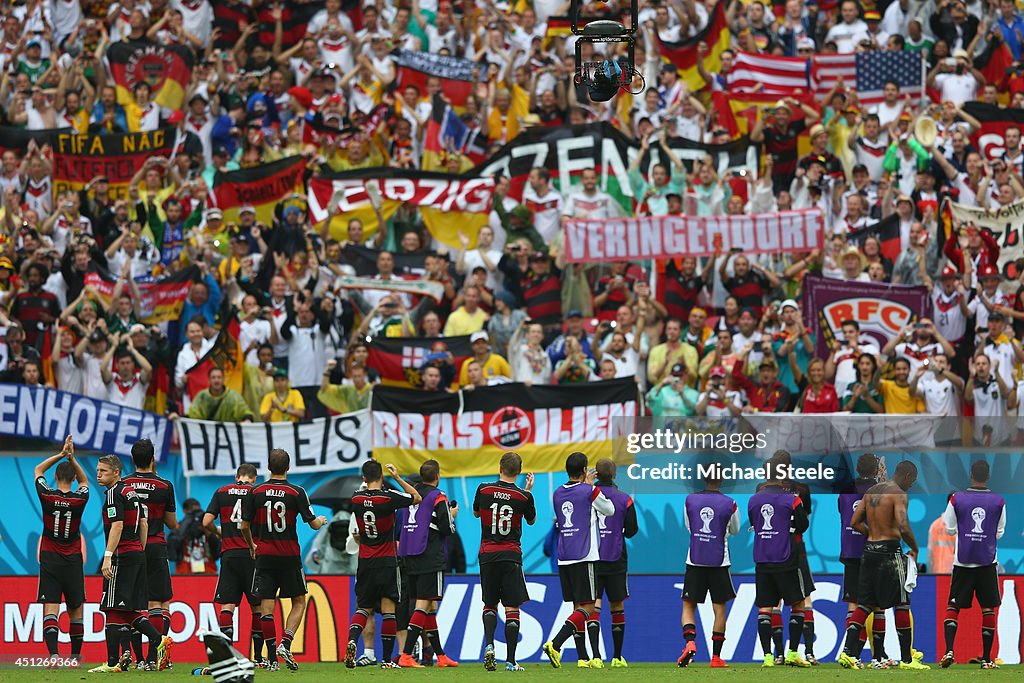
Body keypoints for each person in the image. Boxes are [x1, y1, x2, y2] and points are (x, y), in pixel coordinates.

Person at [240, 448, 328, 671]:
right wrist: (322, 520)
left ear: (268, 468)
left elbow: (244, 525)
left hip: (265, 555)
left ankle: (271, 659)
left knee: (266, 608)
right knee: (298, 601)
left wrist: (252, 546)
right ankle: (286, 642)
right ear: (288, 468)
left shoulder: (255, 491)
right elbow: (313, 524)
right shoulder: (297, 492)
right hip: (289, 556)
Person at [838, 461, 928, 670]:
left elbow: (854, 522)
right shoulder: (898, 494)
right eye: (912, 481)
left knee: (866, 603)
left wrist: (871, 535)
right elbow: (903, 526)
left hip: (869, 552)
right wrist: (915, 548)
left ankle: (848, 653)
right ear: (906, 476)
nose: (911, 485)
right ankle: (907, 660)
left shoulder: (871, 491)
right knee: (902, 601)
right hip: (889, 552)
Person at [90, 454, 171, 673]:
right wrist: (140, 549)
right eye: (98, 470)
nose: (98, 474)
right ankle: (157, 642)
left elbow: (116, 526)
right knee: (127, 610)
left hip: (121, 555)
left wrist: (108, 555)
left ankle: (112, 662)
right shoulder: (131, 492)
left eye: (103, 471)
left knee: (111, 606)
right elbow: (143, 523)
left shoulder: (114, 494)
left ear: (116, 472)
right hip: (136, 553)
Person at [344, 460, 421, 670]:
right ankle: (387, 660)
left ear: (363, 479)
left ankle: (352, 640)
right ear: (381, 477)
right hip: (387, 561)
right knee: (389, 610)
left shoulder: (356, 498)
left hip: (365, 562)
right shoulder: (389, 497)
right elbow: (417, 497)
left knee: (363, 608)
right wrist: (397, 478)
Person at [542, 452, 615, 669]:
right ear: (584, 471)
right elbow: (609, 510)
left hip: (564, 557)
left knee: (577, 606)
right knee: (589, 607)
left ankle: (582, 658)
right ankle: (555, 644)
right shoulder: (590, 491)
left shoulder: (557, 493)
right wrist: (591, 487)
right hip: (585, 556)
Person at [473, 451, 536, 672]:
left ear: (500, 467)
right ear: (519, 472)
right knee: (511, 607)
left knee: (489, 604)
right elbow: (531, 520)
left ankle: (489, 645)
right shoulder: (524, 497)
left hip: (487, 554)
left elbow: (476, 514)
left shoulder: (484, 489)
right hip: (511, 555)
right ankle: (510, 661)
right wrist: (527, 491)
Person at [939, 461, 1006, 669]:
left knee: (953, 606)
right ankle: (986, 659)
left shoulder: (956, 498)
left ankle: (949, 650)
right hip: (987, 562)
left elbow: (949, 528)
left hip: (962, 562)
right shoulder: (998, 501)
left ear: (970, 475)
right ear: (988, 476)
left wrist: (965, 532)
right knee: (988, 609)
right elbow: (1000, 532)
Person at [748, 454, 812, 668]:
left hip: (762, 558)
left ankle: (768, 657)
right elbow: (802, 525)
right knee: (798, 603)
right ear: (783, 474)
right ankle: (793, 653)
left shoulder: (754, 499)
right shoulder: (792, 499)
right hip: (786, 558)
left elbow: (754, 521)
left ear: (765, 475)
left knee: (765, 607)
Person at [201, 464, 267, 668]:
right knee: (257, 607)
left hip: (229, 555)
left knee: (228, 605)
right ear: (254, 478)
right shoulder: (256, 492)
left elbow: (206, 522)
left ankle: (228, 657)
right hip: (252, 554)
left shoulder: (221, 492)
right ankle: (257, 657)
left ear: (236, 476)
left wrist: (220, 532)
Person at [122, 439, 178, 670]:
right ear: (153, 459)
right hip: (155, 545)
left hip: (131, 547)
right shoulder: (165, 486)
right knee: (159, 602)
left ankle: (139, 659)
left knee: (133, 604)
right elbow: (173, 524)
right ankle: (154, 658)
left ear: (133, 459)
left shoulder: (123, 484)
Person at [397, 459, 459, 668]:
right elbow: (446, 528)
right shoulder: (438, 496)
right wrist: (452, 516)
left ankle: (440, 656)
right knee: (424, 604)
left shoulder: (412, 496)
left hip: (410, 555)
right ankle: (406, 655)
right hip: (430, 556)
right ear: (438, 477)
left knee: (430, 606)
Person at [34, 435, 89, 664]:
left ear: (55, 477)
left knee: (51, 607)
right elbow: (85, 481)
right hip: (72, 559)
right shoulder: (80, 498)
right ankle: (75, 658)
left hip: (50, 558)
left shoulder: (46, 495)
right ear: (74, 478)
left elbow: (38, 469)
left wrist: (60, 454)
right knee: (75, 609)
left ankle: (54, 655)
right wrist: (72, 458)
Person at [678, 469, 740, 669]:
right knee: (719, 608)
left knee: (689, 605)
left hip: (695, 560)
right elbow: (735, 530)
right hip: (719, 562)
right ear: (721, 478)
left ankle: (690, 642)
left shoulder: (690, 500)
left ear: (704, 478)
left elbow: (689, 527)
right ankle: (716, 657)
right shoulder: (730, 503)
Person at [838, 454, 894, 668]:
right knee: (878, 605)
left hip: (850, 551)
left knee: (853, 604)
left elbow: (843, 515)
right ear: (875, 470)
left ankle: (852, 653)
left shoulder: (844, 491)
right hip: (874, 552)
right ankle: (878, 656)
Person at [588, 459, 638, 668]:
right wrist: (617, 532)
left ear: (596, 475)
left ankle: (596, 657)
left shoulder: (587, 495)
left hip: (592, 558)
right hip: (616, 558)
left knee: (593, 607)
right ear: (615, 475)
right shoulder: (625, 499)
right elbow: (632, 529)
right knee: (617, 606)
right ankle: (617, 657)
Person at [185, 367, 255, 422]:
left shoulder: (234, 396)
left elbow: (244, 411)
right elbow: (192, 414)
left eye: (219, 377)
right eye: (213, 377)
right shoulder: (202, 396)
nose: (216, 380)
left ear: (223, 379)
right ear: (209, 380)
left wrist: (247, 419)